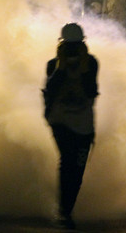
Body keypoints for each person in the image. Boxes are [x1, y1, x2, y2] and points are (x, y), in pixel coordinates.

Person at [42, 23, 99, 230]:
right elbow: (50, 89)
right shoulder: (53, 65)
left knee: (77, 170)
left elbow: (91, 92)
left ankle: (66, 209)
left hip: (83, 125)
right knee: (67, 162)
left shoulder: (91, 63)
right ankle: (64, 212)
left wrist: (84, 68)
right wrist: (61, 67)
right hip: (61, 122)